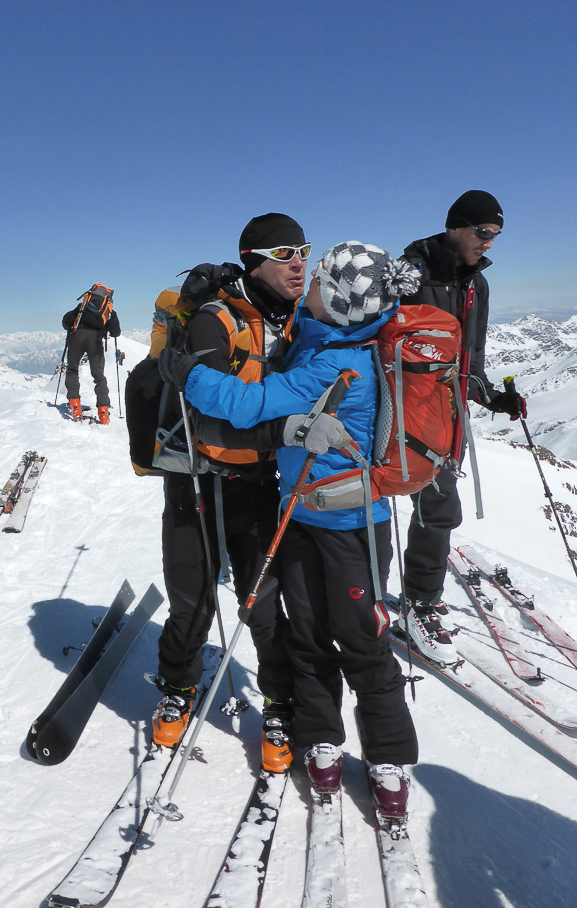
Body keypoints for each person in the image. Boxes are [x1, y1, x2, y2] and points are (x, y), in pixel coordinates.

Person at [165, 241, 421, 816]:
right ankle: (322, 736)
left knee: (360, 637)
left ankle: (387, 757)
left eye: (319, 279)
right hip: (303, 515)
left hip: (349, 526)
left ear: (338, 300)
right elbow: (293, 325)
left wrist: (188, 373)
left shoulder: (338, 363)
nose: (307, 283)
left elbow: (246, 403)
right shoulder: (332, 335)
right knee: (306, 631)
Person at [152, 212, 309, 774]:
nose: (298, 262)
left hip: (257, 482)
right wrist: (286, 433)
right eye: (284, 253)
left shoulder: (299, 320)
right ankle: (178, 686)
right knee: (192, 596)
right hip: (195, 479)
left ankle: (279, 703)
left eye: (303, 250)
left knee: (261, 603)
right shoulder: (213, 321)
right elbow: (211, 424)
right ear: (253, 262)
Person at [397, 190, 527, 663]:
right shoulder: (409, 274)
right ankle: (363, 597)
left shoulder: (477, 286)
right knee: (375, 503)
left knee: (438, 508)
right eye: (484, 232)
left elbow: (471, 358)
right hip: (400, 411)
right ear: (455, 226)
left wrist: (491, 396)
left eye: (496, 235)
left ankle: (419, 600)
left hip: (448, 415)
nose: (489, 243)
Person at [61, 288, 121, 425]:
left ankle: (75, 406)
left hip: (77, 336)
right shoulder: (109, 310)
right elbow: (115, 332)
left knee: (72, 370)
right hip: (95, 340)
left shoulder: (83, 305)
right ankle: (103, 412)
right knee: (99, 376)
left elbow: (66, 321)